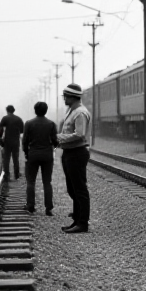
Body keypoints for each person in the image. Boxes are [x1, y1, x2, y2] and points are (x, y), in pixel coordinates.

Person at [57, 83, 92, 233]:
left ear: (72, 97)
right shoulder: (72, 111)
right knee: (72, 188)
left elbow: (80, 134)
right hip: (70, 153)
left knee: (79, 189)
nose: (64, 99)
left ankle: (82, 223)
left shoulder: (80, 113)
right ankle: (77, 219)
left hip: (77, 153)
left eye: (66, 96)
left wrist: (58, 137)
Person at [21, 101, 58, 215]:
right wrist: (52, 148)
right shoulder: (51, 124)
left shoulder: (29, 123)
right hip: (47, 155)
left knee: (31, 181)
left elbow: (24, 141)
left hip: (33, 155)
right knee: (47, 182)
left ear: (35, 110)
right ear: (46, 110)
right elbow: (55, 141)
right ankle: (48, 208)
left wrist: (27, 153)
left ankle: (30, 205)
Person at [0, 105, 25, 181]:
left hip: (7, 141)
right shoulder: (18, 119)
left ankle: (6, 175)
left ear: (7, 110)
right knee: (16, 158)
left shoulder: (5, 118)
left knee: (6, 159)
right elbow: (22, 130)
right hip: (15, 141)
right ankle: (16, 174)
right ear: (14, 110)